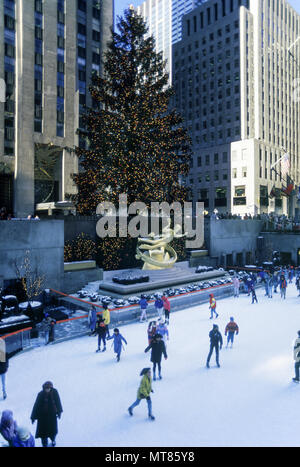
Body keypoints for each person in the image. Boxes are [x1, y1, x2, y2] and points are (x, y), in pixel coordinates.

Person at [31, 381, 63, 447]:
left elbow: (58, 402)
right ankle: (44, 444)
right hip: (42, 418)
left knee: (52, 432)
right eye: (46, 388)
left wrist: (59, 412)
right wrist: (33, 417)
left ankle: (53, 440)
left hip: (52, 416)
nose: (47, 390)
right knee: (43, 433)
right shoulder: (40, 394)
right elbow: (36, 405)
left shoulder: (55, 392)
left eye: (49, 388)